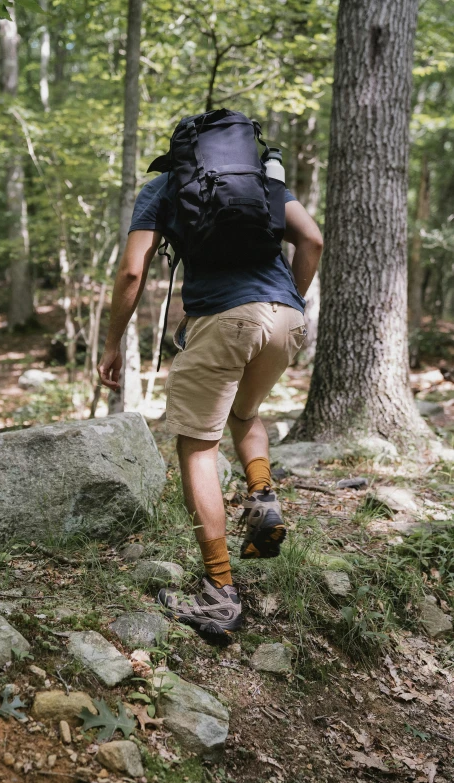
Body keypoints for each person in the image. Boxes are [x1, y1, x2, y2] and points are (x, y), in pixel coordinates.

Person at [98, 156, 322, 636]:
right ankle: (262, 494)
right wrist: (291, 302)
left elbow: (133, 271)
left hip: (224, 318)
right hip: (285, 316)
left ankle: (219, 591)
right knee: (245, 413)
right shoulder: (262, 182)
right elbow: (313, 239)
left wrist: (113, 342)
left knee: (197, 444)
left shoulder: (165, 186)